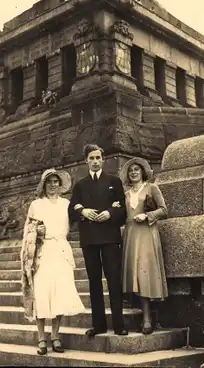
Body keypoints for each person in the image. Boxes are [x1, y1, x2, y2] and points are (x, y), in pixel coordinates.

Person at [21, 169, 85, 356]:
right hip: (42, 252)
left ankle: (55, 336)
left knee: (59, 295)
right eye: (49, 182)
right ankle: (41, 338)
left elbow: (76, 220)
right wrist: (36, 232)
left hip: (61, 251)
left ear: (60, 184)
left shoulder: (66, 204)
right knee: (41, 295)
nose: (52, 185)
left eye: (56, 182)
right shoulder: (36, 204)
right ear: (44, 184)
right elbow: (28, 231)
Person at [69, 144, 128, 337]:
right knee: (94, 282)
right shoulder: (80, 185)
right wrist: (82, 211)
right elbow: (71, 210)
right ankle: (99, 325)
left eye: (98, 158)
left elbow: (123, 210)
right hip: (90, 239)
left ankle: (119, 324)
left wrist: (110, 213)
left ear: (103, 160)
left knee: (113, 280)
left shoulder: (114, 181)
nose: (95, 161)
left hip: (110, 237)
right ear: (86, 160)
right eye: (91, 158)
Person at [119, 158, 168, 334]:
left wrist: (147, 216)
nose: (133, 173)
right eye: (130, 170)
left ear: (142, 172)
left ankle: (148, 319)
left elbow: (164, 210)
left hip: (146, 233)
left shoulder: (151, 188)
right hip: (131, 235)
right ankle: (141, 314)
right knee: (134, 275)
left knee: (144, 273)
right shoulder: (125, 194)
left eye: (136, 170)